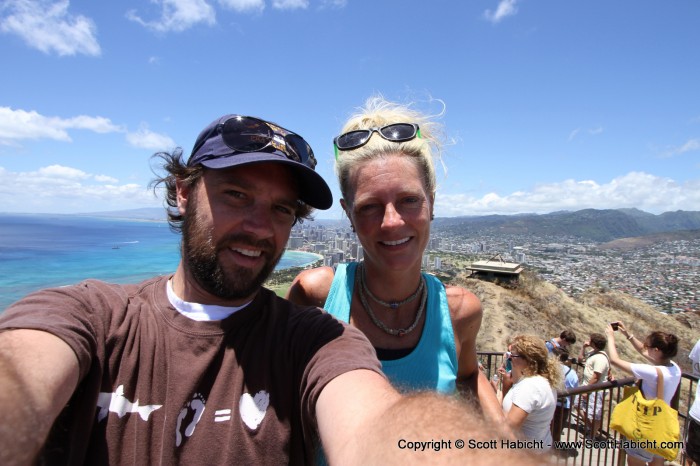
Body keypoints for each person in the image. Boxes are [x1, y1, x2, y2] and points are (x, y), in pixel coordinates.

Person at [0, 114, 528, 466]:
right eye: (236, 194)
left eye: (281, 209)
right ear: (182, 193)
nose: (259, 226)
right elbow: (21, 372)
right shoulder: (93, 315)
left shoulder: (316, 339)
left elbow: (378, 427)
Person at [285, 96, 503, 421]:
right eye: (370, 206)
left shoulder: (459, 312)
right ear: (348, 214)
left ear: (432, 202)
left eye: (410, 200)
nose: (392, 222)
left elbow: (468, 375)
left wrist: (503, 440)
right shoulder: (316, 295)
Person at [606, 322, 681, 466]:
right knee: (657, 460)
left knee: (635, 460)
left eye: (649, 347)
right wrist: (628, 335)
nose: (645, 349)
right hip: (661, 424)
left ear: (657, 350)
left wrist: (610, 337)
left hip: (645, 425)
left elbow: (615, 360)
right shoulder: (675, 369)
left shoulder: (652, 372)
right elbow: (643, 351)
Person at [499, 335, 561, 453]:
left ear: (528, 360)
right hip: (540, 449)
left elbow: (509, 429)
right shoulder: (544, 381)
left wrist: (497, 402)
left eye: (513, 356)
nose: (510, 358)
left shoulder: (529, 387)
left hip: (524, 455)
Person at [576, 332, 611, 440]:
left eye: (590, 340)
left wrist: (587, 390)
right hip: (587, 386)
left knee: (595, 414)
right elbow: (580, 360)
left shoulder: (601, 358)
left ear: (594, 343)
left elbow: (596, 376)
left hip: (595, 389)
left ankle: (592, 435)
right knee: (577, 405)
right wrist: (583, 347)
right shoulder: (593, 352)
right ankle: (592, 429)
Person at [550, 348, 579, 443]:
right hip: (564, 406)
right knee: (557, 431)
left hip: (549, 402)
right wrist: (571, 406)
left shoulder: (549, 369)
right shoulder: (572, 373)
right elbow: (574, 391)